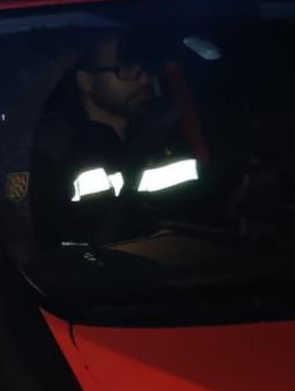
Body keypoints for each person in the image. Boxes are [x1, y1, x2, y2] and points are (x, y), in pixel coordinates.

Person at [29, 30, 187, 245]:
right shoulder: (53, 150)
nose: (144, 79)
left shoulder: (171, 132)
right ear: (86, 80)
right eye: (126, 69)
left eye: (145, 68)